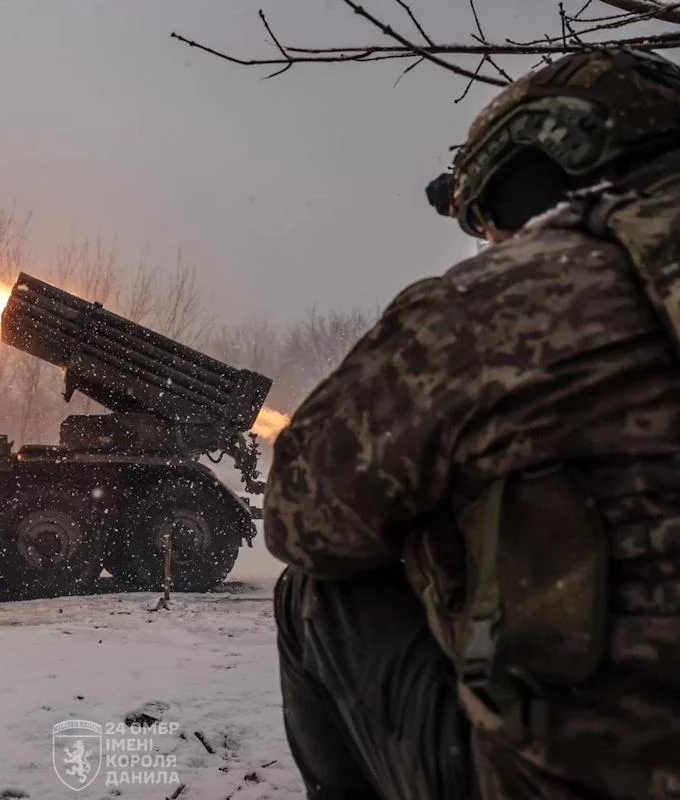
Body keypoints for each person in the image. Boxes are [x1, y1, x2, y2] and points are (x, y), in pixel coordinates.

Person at [265, 47, 680, 800]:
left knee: (315, 592)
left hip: (576, 781)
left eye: (486, 223)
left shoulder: (497, 306)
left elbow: (303, 517)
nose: (488, 245)